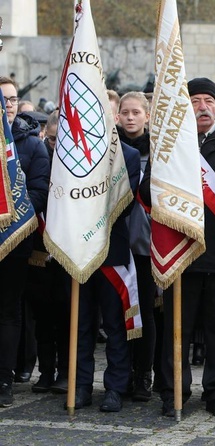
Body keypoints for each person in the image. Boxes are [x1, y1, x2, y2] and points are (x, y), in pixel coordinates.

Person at [140, 77, 215, 419]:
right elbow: (147, 193)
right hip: (180, 255)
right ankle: (173, 391)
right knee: (175, 330)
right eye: (195, 101)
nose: (203, 107)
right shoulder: (169, 144)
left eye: (209, 100)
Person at [68, 141, 141, 413]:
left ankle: (115, 387)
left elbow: (126, 202)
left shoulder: (129, 155)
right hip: (77, 249)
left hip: (112, 249)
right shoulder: (71, 153)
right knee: (81, 321)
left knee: (115, 324)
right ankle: (81, 385)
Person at [0, 78, 50, 407]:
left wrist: (11, 214)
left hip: (14, 240)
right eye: (2, 100)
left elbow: (39, 190)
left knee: (8, 312)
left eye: (13, 99)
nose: (8, 105)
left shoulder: (31, 144)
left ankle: (3, 378)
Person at [117, 91, 157, 402]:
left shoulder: (156, 151)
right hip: (116, 242)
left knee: (144, 310)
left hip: (146, 244)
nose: (130, 117)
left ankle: (144, 372)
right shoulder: (110, 149)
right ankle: (122, 372)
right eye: (125, 112)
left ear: (147, 116)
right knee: (119, 313)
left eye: (136, 112)